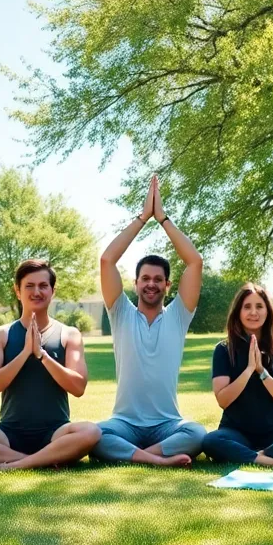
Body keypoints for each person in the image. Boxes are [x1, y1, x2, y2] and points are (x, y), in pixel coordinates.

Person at [92, 175, 206, 466]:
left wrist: (163, 219)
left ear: (168, 285)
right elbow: (107, 260)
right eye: (145, 278)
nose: (151, 284)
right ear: (136, 283)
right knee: (96, 434)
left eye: (158, 279)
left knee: (197, 434)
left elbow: (195, 261)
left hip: (167, 424)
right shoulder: (121, 312)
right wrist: (143, 218)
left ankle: (138, 456)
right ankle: (156, 458)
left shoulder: (179, 315)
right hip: (124, 424)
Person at [0, 259, 101, 471]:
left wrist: (42, 355)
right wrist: (25, 353)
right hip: (9, 433)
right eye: (29, 286)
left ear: (53, 291)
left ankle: (15, 465)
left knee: (91, 431)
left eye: (43, 286)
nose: (36, 292)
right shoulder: (0, 335)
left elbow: (78, 387)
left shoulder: (69, 334)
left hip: (56, 433)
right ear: (18, 291)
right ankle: (39, 461)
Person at [201, 284, 273, 466]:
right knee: (210, 441)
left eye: (259, 306)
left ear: (267, 311)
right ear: (238, 312)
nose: (253, 312)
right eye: (247, 307)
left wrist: (261, 371)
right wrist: (249, 370)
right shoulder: (223, 349)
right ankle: (270, 460)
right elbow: (223, 400)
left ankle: (254, 455)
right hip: (235, 432)